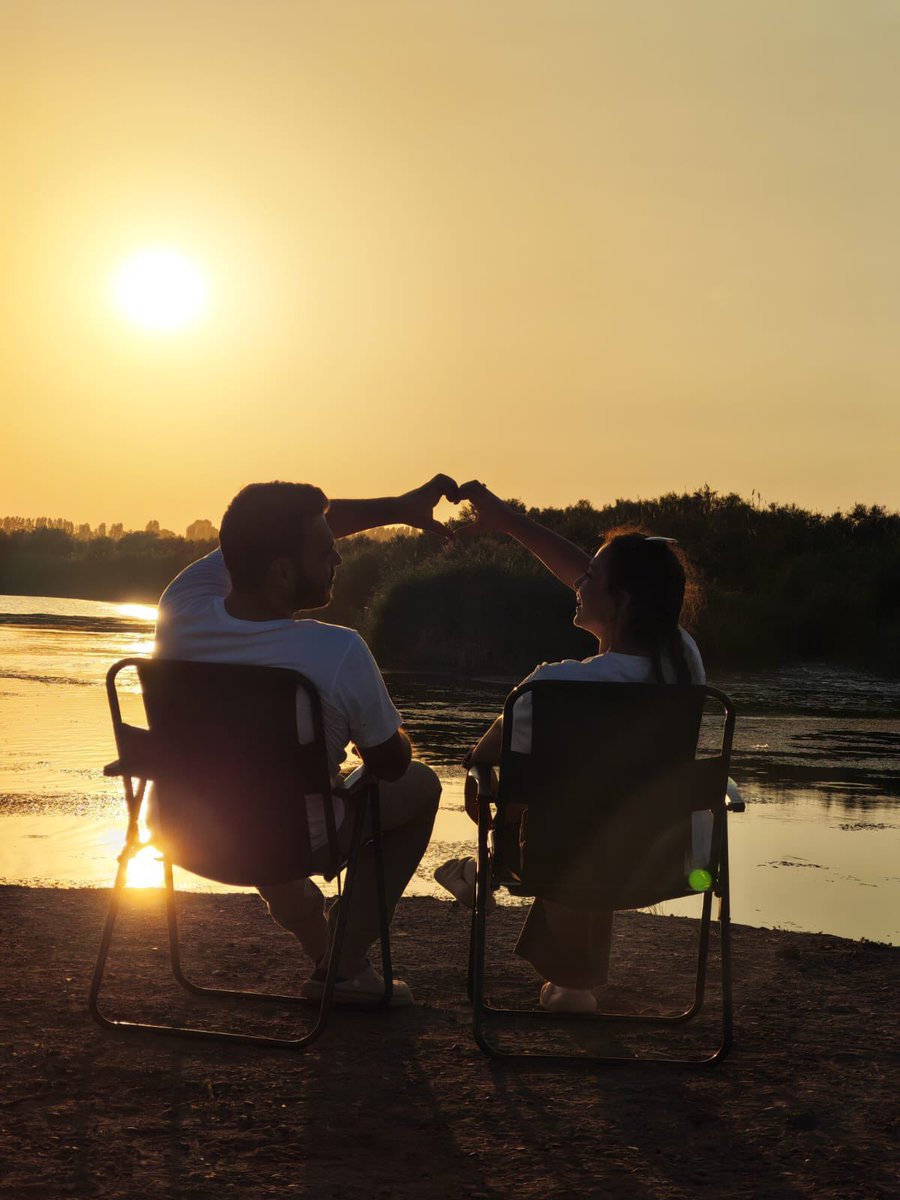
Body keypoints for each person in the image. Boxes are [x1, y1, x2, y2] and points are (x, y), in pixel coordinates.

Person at [154, 474, 458, 1006]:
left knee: (256, 787)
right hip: (292, 840)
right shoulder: (336, 651)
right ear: (282, 571)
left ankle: (325, 950)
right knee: (420, 785)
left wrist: (397, 506)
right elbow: (391, 762)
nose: (337, 560)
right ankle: (342, 964)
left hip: (184, 828)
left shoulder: (179, 609)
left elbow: (253, 532)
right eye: (326, 551)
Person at [434, 481, 705, 1014]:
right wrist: (512, 522)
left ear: (621, 602)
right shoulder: (686, 666)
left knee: (562, 814)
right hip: (668, 857)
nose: (578, 583)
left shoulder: (552, 687)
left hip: (554, 860)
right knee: (597, 806)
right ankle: (572, 984)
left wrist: (492, 813)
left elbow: (482, 767)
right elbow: (615, 581)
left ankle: (487, 873)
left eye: (591, 579)